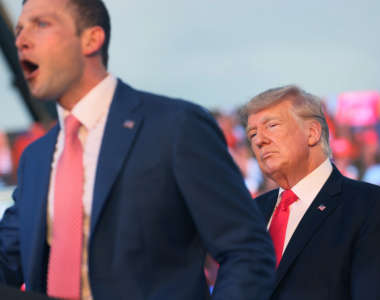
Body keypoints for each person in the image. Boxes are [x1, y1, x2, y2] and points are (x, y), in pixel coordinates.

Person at [0, 0, 276, 299]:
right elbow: (7, 257)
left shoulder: (174, 127)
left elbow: (247, 253)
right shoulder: (36, 158)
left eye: (41, 24)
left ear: (91, 39)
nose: (21, 40)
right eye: (18, 30)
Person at [243, 85, 380, 300]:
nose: (259, 140)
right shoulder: (248, 214)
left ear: (312, 132)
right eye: (252, 134)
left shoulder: (370, 206)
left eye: (272, 125)